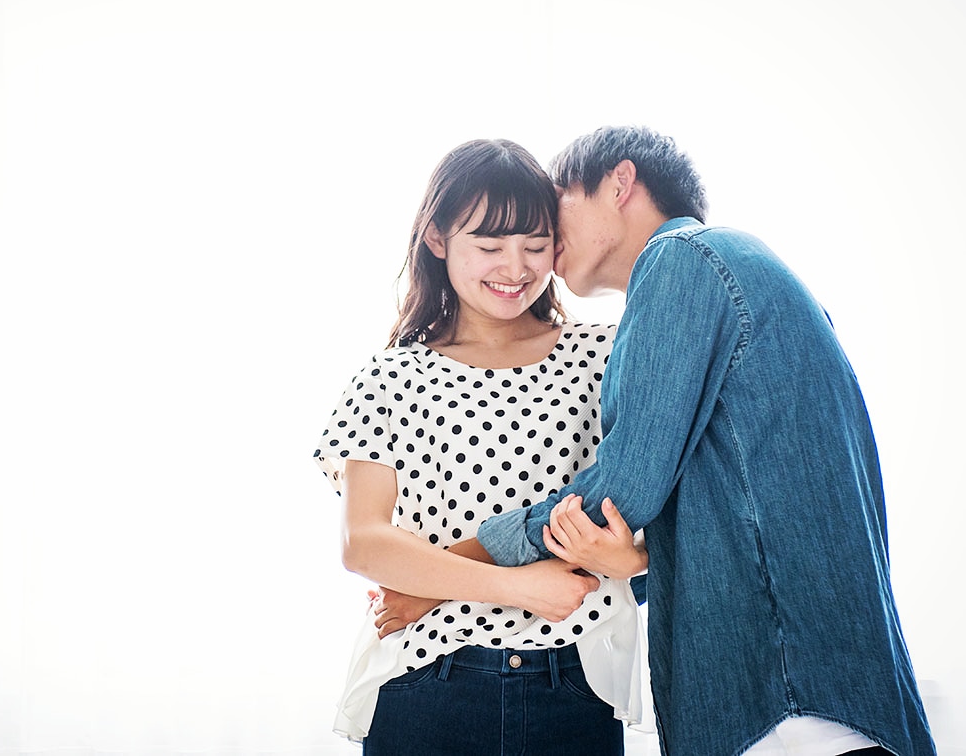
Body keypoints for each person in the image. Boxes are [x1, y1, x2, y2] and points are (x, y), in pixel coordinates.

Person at [474, 126, 936, 756]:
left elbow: (624, 487)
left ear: (619, 182)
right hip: (816, 691)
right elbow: (737, 507)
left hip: (783, 695)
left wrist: (463, 561)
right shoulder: (744, 269)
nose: (548, 237)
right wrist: (637, 564)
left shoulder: (683, 260)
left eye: (558, 204)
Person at [313, 138, 649, 754]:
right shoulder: (390, 377)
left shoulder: (607, 353)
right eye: (489, 246)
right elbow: (365, 542)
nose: (515, 268)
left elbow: (655, 506)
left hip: (575, 684)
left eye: (535, 245)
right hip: (429, 681)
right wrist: (522, 587)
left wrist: (634, 560)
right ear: (437, 239)